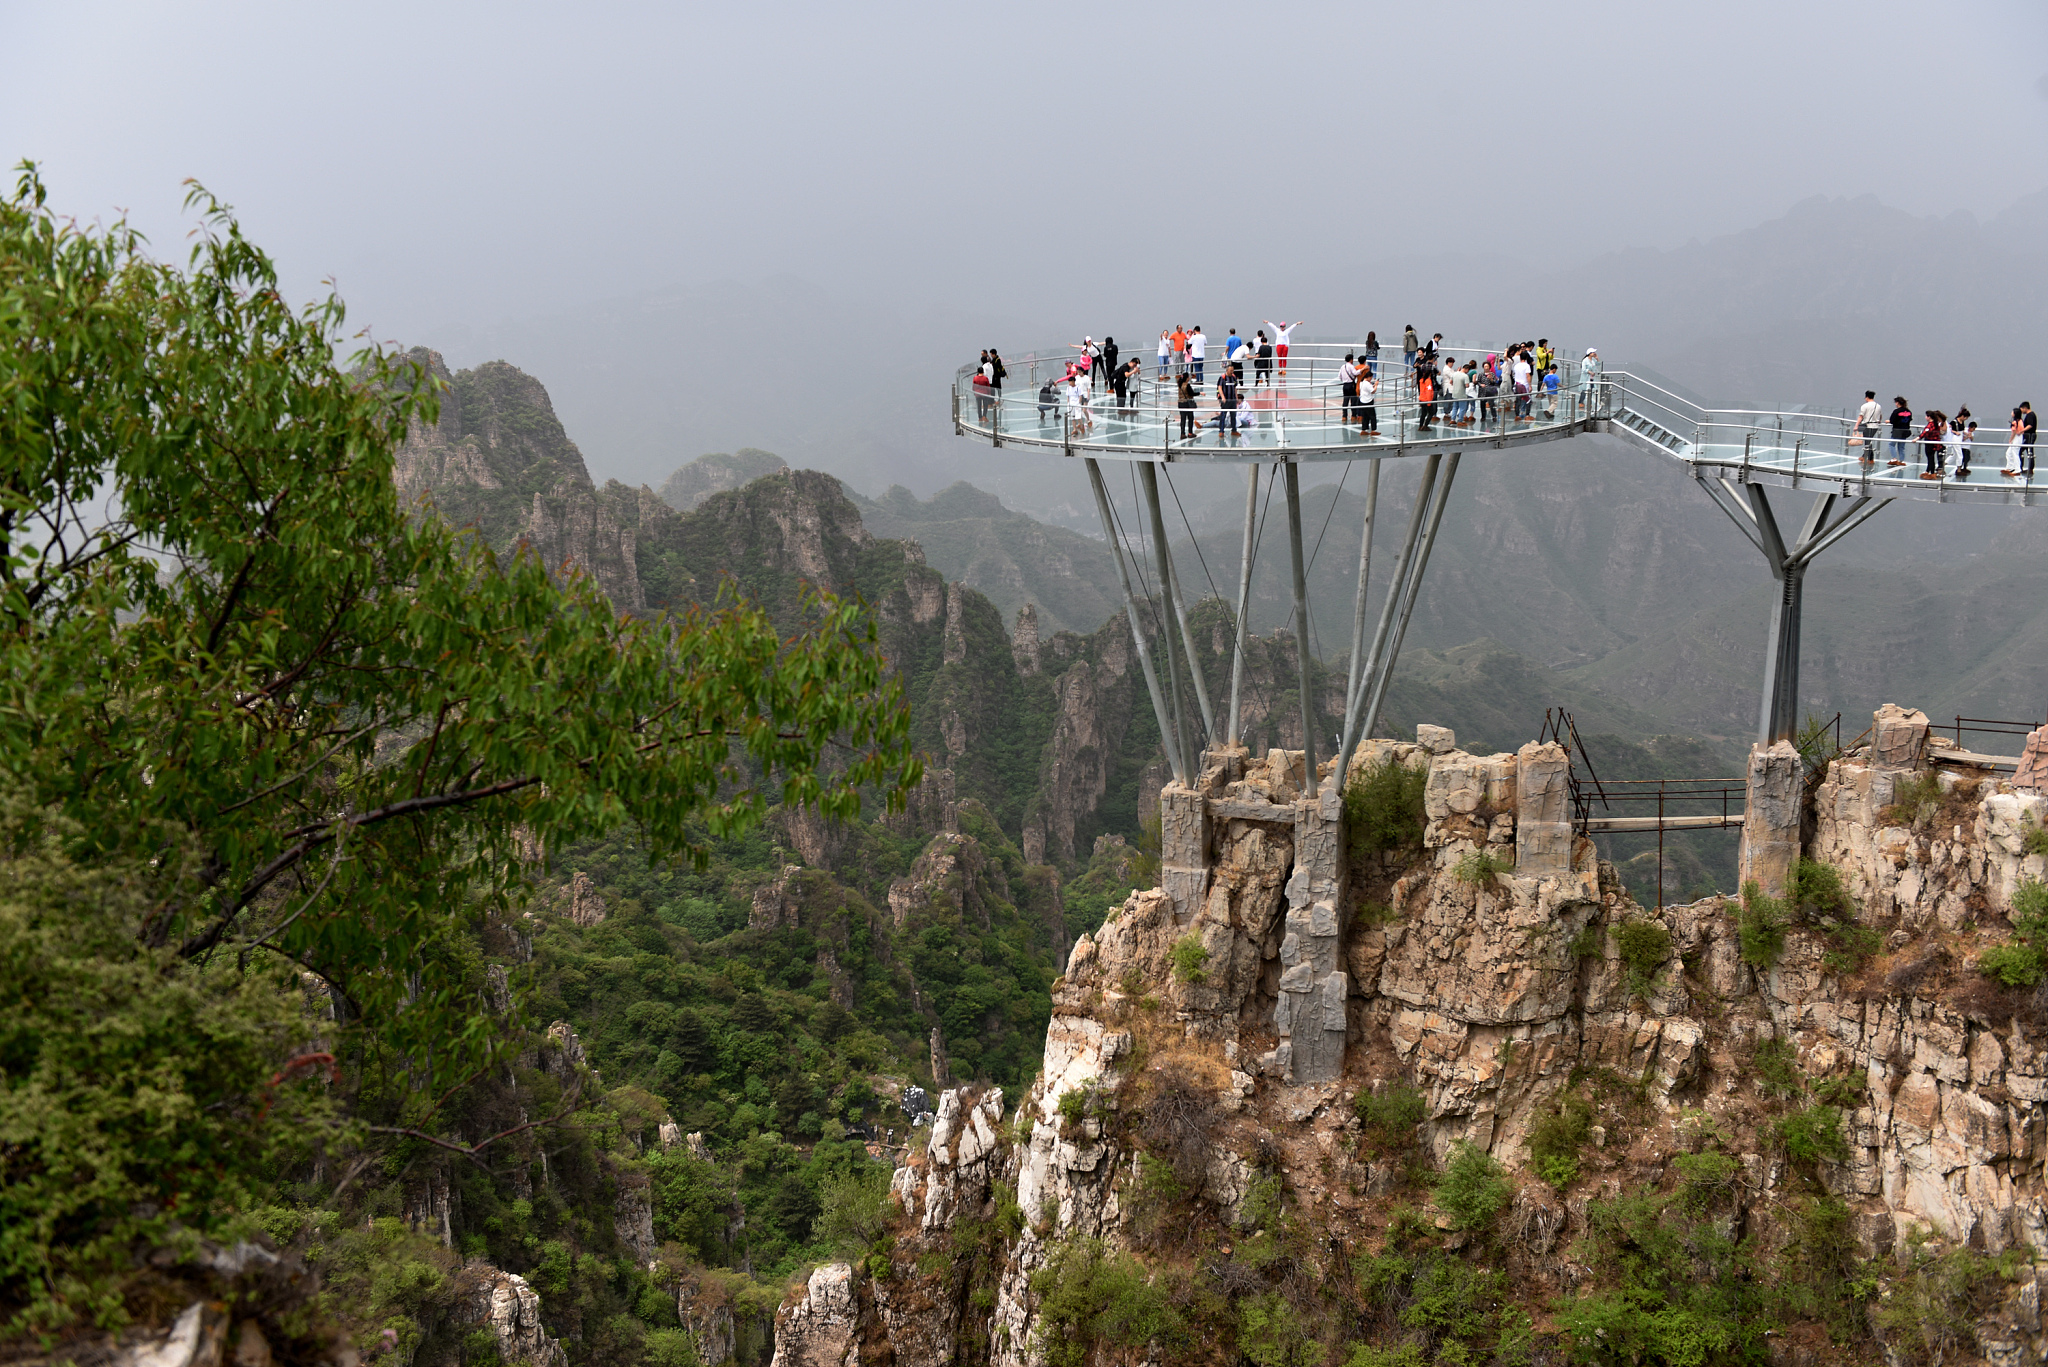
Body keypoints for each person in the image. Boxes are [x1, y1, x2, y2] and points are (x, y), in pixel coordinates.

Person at [1854, 390, 1880, 464]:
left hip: (1868, 426)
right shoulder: (1878, 406)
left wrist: (1856, 425)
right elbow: (1880, 416)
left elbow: (1860, 417)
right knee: (1869, 441)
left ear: (1866, 397)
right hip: (1875, 426)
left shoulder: (1865, 406)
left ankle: (1870, 459)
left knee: (1867, 443)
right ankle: (1864, 456)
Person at [1918, 410, 1945, 479]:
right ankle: (1928, 470)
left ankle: (1932, 472)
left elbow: (1925, 432)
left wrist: (1918, 438)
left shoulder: (1931, 424)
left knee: (1930, 457)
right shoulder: (1936, 424)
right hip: (1934, 442)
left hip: (1929, 442)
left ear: (1929, 417)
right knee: (1931, 457)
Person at [1216, 364, 1241, 438]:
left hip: (1232, 400)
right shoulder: (1222, 378)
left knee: (1233, 416)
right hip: (1225, 401)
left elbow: (1235, 388)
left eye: (1232, 370)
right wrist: (1223, 397)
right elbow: (1219, 387)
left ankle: (1234, 430)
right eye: (1230, 371)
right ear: (1227, 370)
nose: (1232, 372)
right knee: (1223, 415)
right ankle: (1221, 431)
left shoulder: (1233, 377)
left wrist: (1236, 398)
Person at [1888, 397, 1913, 467]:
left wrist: (1888, 421)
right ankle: (1902, 460)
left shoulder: (1896, 411)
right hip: (1905, 430)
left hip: (1897, 430)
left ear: (1898, 403)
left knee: (1891, 444)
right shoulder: (1908, 411)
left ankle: (1894, 458)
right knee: (1901, 447)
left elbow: (1892, 420)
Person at [1357, 367, 1379, 436]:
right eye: (1371, 378)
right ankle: (1373, 430)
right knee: (1372, 416)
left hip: (1362, 401)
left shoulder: (1361, 383)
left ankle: (1364, 429)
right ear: (1369, 377)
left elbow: (1367, 389)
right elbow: (1373, 391)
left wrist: (1372, 386)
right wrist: (1376, 385)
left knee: (1365, 416)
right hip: (1368, 401)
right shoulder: (1367, 384)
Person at [1176, 371, 1198, 440]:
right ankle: (1190, 433)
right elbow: (1192, 394)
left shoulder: (1180, 384)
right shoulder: (1187, 385)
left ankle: (1182, 433)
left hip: (1180, 403)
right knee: (1190, 417)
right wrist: (1200, 393)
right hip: (1187, 403)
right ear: (1187, 378)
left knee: (1183, 419)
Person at [1580, 349, 1601, 414]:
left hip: (1592, 378)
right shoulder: (1585, 360)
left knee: (1591, 390)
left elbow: (1598, 364)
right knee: (1584, 390)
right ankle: (1581, 402)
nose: (1594, 353)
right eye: (1593, 352)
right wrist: (1589, 372)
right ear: (1589, 353)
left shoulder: (1593, 360)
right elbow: (1583, 369)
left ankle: (1589, 403)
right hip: (1586, 378)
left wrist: (1597, 358)